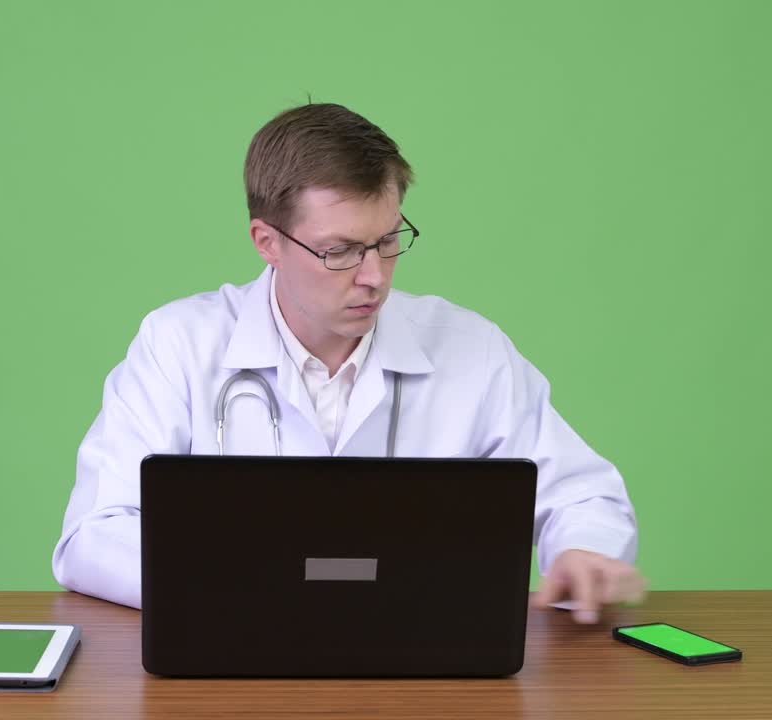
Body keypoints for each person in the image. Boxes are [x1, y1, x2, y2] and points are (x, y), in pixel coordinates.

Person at [52, 102, 646, 623]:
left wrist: (583, 550)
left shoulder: (471, 347)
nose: (374, 276)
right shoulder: (179, 344)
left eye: (388, 241)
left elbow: (582, 496)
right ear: (267, 241)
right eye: (339, 251)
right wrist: (244, 586)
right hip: (236, 659)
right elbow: (93, 535)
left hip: (420, 661)